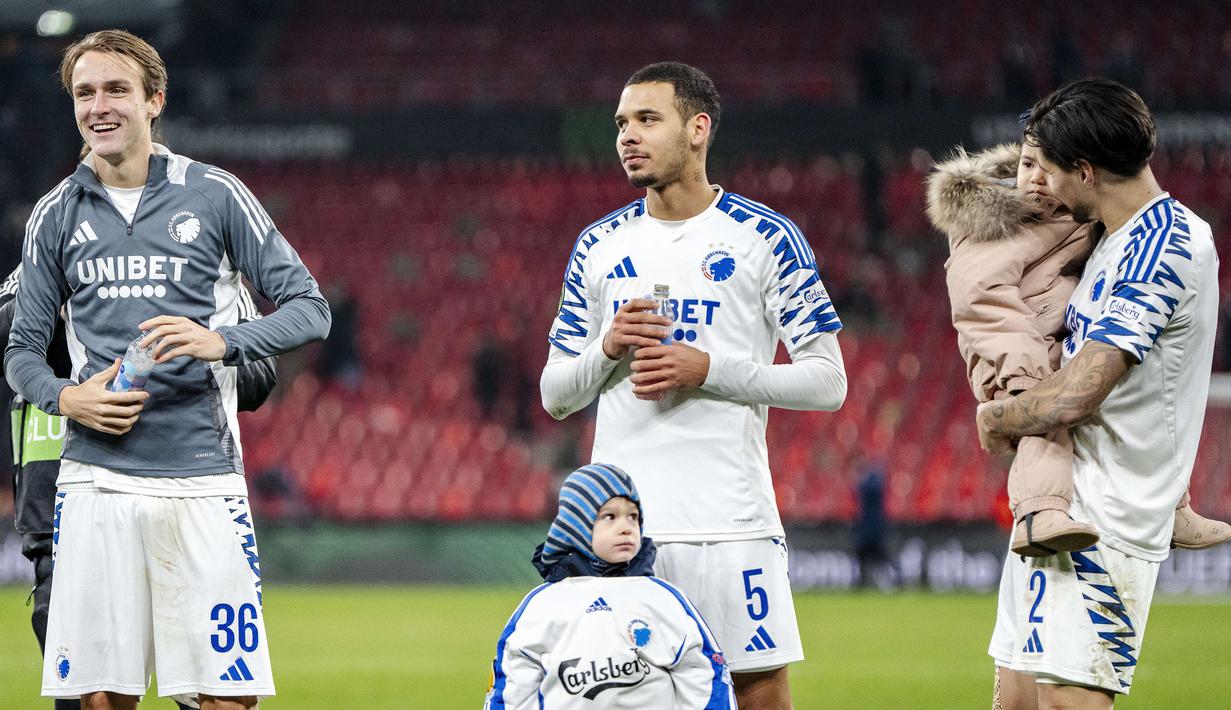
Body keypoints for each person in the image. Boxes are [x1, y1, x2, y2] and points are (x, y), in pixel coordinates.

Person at [5, 30, 330, 710]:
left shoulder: (216, 194)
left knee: (225, 700)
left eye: (116, 89)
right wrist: (69, 399)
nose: (99, 105)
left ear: (154, 100)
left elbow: (309, 309)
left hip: (204, 481)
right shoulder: (55, 215)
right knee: (98, 700)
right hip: (95, 482)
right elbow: (21, 354)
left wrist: (223, 341)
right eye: (84, 92)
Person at [540, 62, 847, 709]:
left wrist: (709, 371)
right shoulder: (596, 246)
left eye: (647, 120)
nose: (628, 135)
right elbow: (555, 394)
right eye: (621, 123)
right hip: (621, 530)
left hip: (729, 522)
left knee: (759, 693)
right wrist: (608, 348)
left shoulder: (766, 238)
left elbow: (828, 382)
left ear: (697, 128)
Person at [976, 78, 1220, 708]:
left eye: (1051, 171)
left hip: (1106, 524)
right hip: (1062, 510)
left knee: (1068, 704)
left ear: (1084, 171)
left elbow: (1079, 393)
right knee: (1017, 700)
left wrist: (999, 415)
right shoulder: (1114, 241)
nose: (1044, 187)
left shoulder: (1164, 243)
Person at [926, 142, 1230, 556]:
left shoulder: (1063, 214)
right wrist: (1023, 372)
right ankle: (1038, 514)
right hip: (1014, 351)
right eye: (1028, 166)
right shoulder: (985, 227)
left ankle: (1172, 507)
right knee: (1045, 425)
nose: (1035, 177)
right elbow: (984, 306)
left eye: (1047, 168)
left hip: (1057, 334)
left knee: (1140, 397)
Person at [0, 266, 279, 710]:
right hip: (64, 496)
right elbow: (7, 338)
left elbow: (260, 375)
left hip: (182, 490)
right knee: (89, 694)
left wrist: (193, 347)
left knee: (213, 688)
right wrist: (70, 307)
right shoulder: (51, 248)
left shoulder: (202, 265)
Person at [484, 463, 736, 709]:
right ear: (576, 526)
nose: (626, 528)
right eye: (609, 516)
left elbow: (704, 675)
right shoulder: (541, 606)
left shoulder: (664, 599)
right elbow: (512, 688)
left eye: (633, 517)